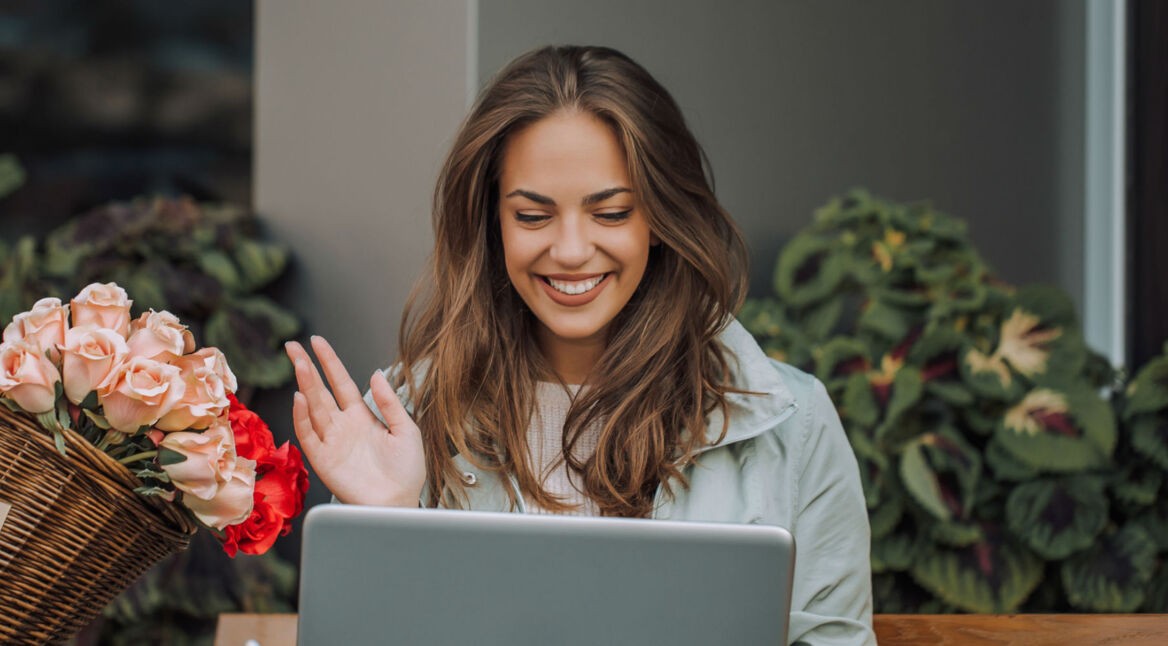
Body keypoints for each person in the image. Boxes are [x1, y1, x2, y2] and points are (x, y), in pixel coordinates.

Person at [285, 45, 875, 645]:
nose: (570, 250)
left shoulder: (793, 429)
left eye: (612, 213)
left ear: (662, 219)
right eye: (533, 216)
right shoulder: (409, 422)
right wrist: (387, 523)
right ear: (493, 224)